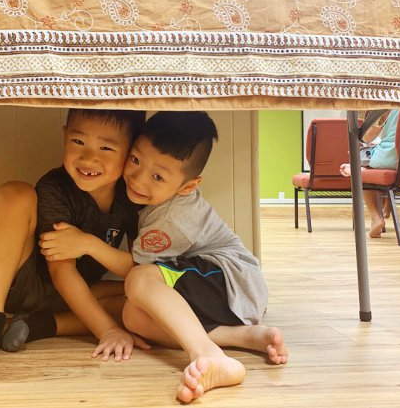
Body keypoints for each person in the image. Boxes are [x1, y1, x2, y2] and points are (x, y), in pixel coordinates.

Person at [39, 111, 288, 403]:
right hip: (218, 290)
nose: (138, 179)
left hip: (230, 280)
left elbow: (136, 268)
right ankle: (243, 337)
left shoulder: (172, 217)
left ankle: (209, 355)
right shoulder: (150, 198)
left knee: (140, 278)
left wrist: (87, 244)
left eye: (157, 176)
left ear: (188, 186)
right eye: (135, 160)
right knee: (134, 317)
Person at [0, 108, 148, 372]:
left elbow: (140, 269)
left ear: (132, 152)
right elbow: (61, 271)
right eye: (78, 141)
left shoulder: (132, 197)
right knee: (15, 193)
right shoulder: (56, 188)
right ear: (64, 136)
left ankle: (41, 325)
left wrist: (89, 244)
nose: (89, 158)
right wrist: (107, 330)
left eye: (106, 148)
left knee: (144, 299)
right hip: (27, 284)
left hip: (78, 295)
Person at [340, 109, 400, 238]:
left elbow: (367, 137)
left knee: (359, 158)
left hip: (391, 158)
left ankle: (376, 217)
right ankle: (388, 205)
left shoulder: (389, 105)